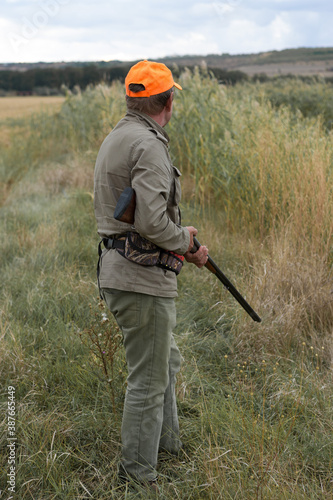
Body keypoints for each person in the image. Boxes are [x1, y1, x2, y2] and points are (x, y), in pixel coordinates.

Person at [93, 60, 208, 490]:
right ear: (169, 101)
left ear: (132, 98)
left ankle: (169, 447)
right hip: (140, 279)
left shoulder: (119, 136)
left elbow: (138, 213)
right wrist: (190, 246)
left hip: (120, 272)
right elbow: (153, 224)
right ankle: (138, 479)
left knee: (166, 361)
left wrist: (177, 236)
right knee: (148, 379)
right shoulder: (150, 145)